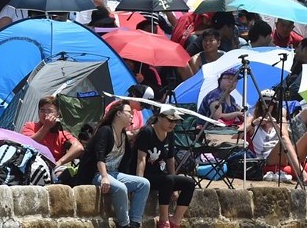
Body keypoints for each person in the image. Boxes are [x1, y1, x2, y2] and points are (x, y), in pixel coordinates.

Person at [77, 100, 151, 228]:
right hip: (98, 173)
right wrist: (104, 177)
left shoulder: (122, 134)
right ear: (118, 114)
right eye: (129, 112)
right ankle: (124, 224)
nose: (132, 116)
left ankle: (135, 223)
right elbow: (99, 155)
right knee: (121, 188)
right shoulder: (105, 131)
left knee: (143, 184)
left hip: (114, 173)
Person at [247, 91, 307, 186]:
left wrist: (275, 125)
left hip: (286, 154)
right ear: (260, 104)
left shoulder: (280, 120)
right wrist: (254, 123)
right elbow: (237, 135)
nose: (267, 106)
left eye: (271, 104)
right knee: (284, 141)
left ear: (274, 105)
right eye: (264, 102)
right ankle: (302, 174)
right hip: (268, 157)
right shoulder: (253, 119)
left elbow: (285, 135)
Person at [132, 106, 195, 228]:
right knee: (168, 180)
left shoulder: (170, 134)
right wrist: (138, 181)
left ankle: (175, 220)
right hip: (147, 176)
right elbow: (141, 159)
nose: (173, 124)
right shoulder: (147, 132)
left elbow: (170, 159)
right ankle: (163, 220)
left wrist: (175, 188)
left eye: (175, 121)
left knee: (189, 183)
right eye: (170, 120)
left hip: (162, 175)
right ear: (160, 117)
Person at [21, 96, 85, 169]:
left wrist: (60, 162)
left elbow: (79, 147)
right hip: (30, 164)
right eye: (42, 110)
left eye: (49, 111)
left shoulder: (62, 134)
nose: (45, 114)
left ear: (57, 114)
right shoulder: (30, 126)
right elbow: (28, 143)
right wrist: (46, 127)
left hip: (50, 169)